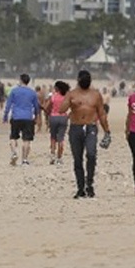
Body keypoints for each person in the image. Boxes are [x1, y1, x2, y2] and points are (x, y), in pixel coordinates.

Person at [57, 70, 112, 199]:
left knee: (91, 154)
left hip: (90, 127)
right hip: (76, 127)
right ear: (78, 80)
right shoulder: (72, 94)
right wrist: (70, 102)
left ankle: (90, 183)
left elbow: (101, 113)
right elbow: (61, 109)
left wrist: (107, 131)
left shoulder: (96, 95)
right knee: (77, 158)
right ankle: (80, 187)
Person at [3, 74, 41, 166]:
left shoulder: (14, 91)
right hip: (28, 117)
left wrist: (5, 116)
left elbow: (8, 105)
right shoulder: (32, 92)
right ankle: (24, 160)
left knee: (13, 137)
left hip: (16, 116)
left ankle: (14, 152)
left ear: (20, 80)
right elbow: (36, 107)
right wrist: (36, 116)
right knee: (26, 140)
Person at [45, 81, 70, 165]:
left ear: (57, 88)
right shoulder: (66, 97)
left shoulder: (53, 97)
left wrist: (48, 114)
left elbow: (46, 107)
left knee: (53, 137)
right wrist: (68, 115)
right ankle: (59, 158)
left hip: (53, 117)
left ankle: (52, 155)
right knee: (61, 138)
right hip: (63, 117)